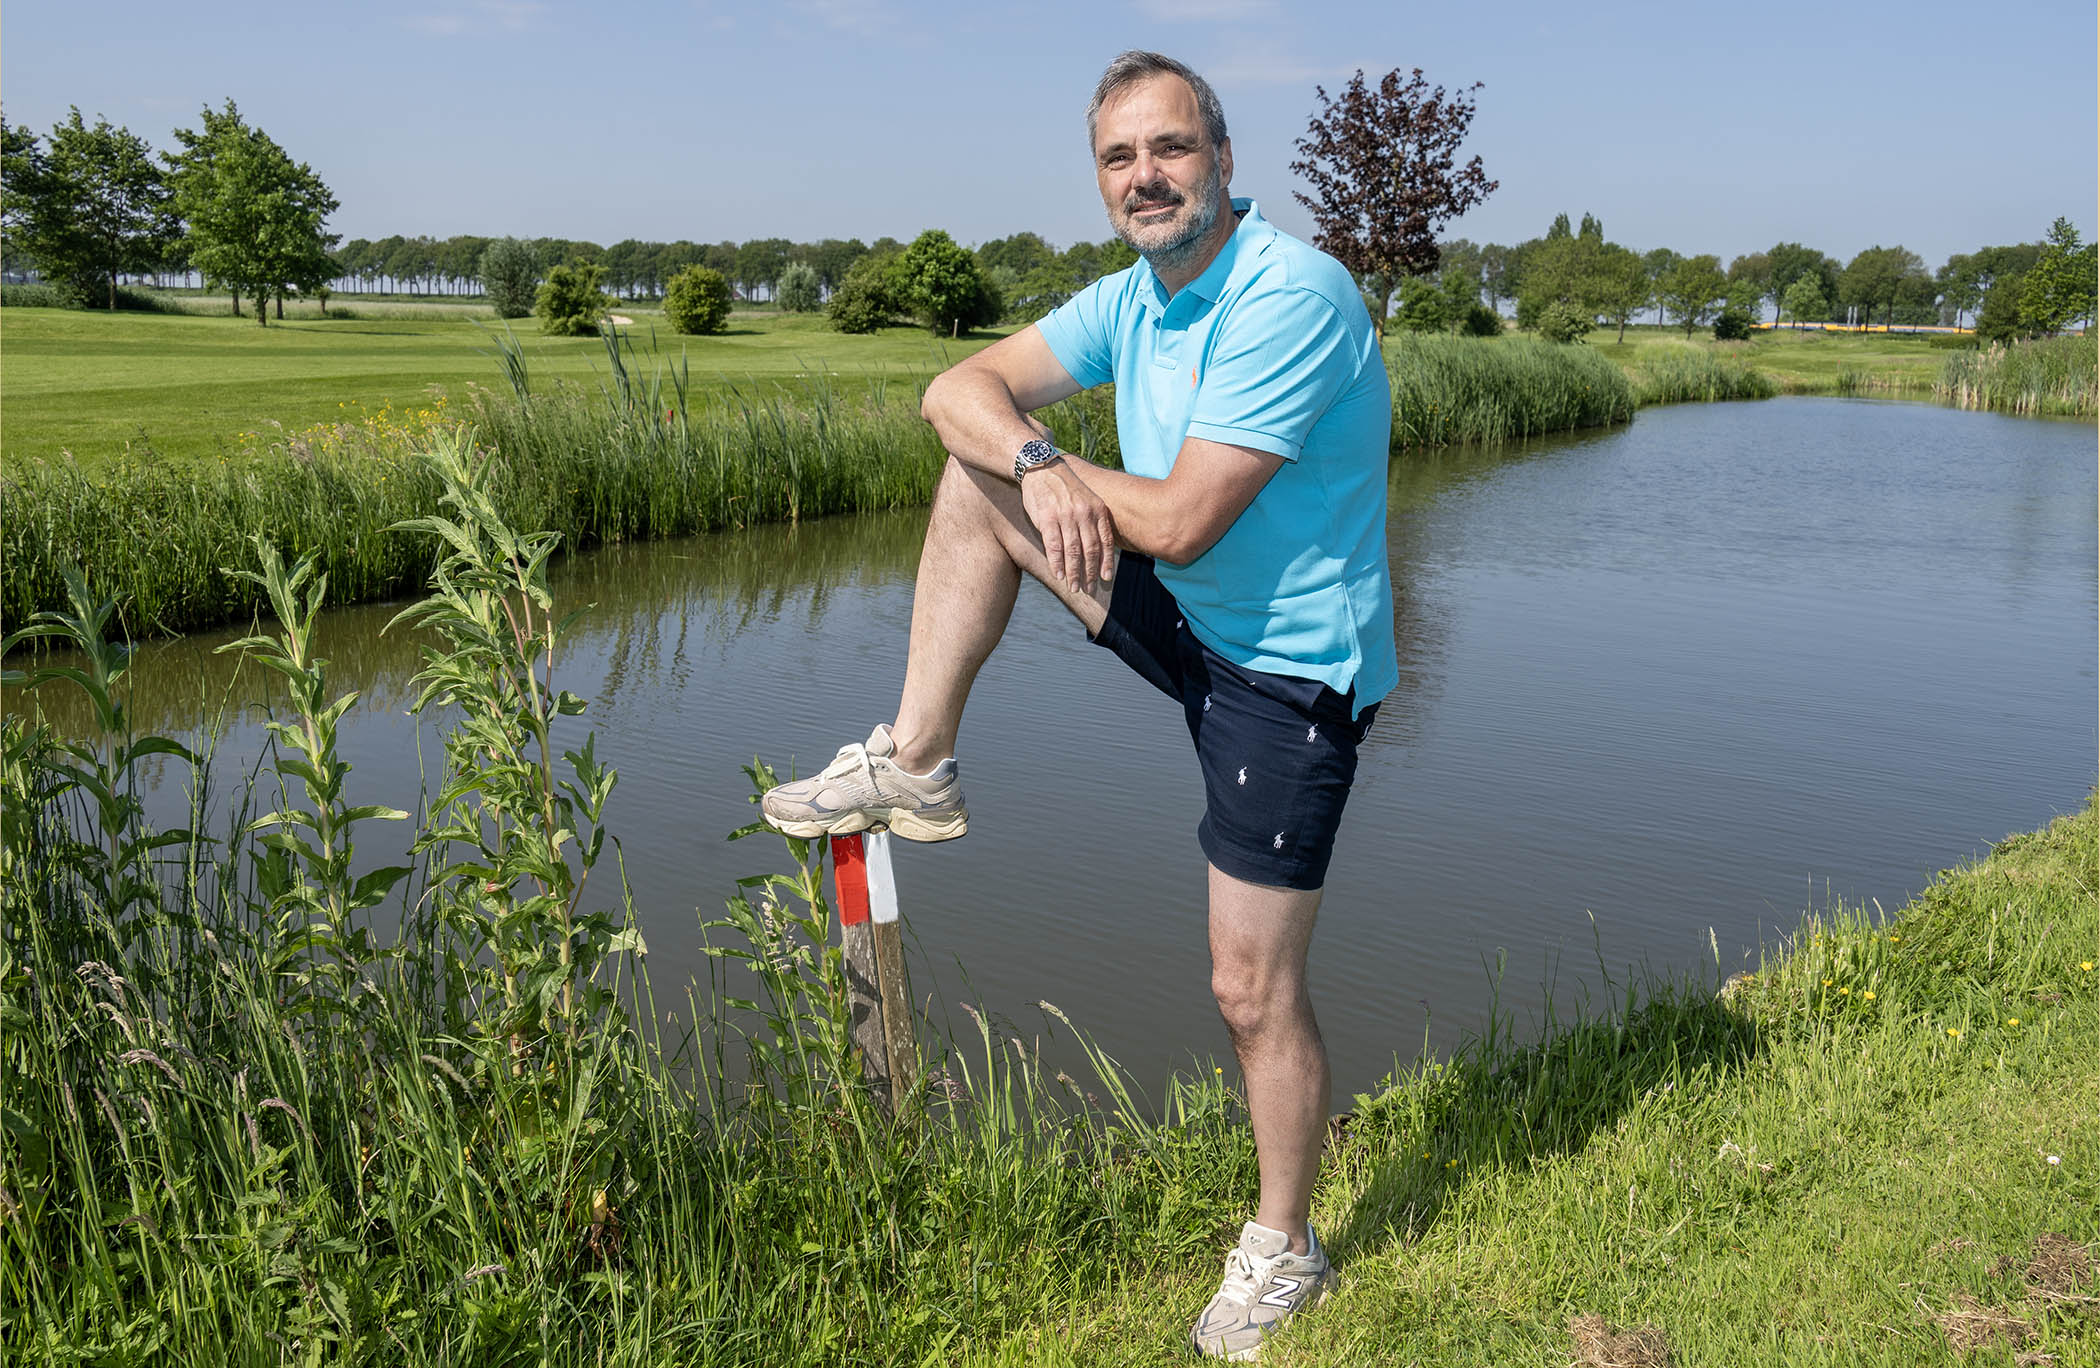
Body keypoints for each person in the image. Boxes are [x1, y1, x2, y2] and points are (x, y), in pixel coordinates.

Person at [760, 49, 1396, 1361]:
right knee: (977, 472)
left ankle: (1288, 1247)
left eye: (1171, 148)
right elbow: (954, 392)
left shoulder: (1290, 295)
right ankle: (918, 759)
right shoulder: (1135, 298)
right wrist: (1032, 456)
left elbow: (1184, 519)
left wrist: (1049, 466)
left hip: (1288, 674)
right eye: (1120, 157)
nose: (1145, 176)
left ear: (1224, 161)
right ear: (1101, 180)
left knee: (1247, 987)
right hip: (1194, 620)